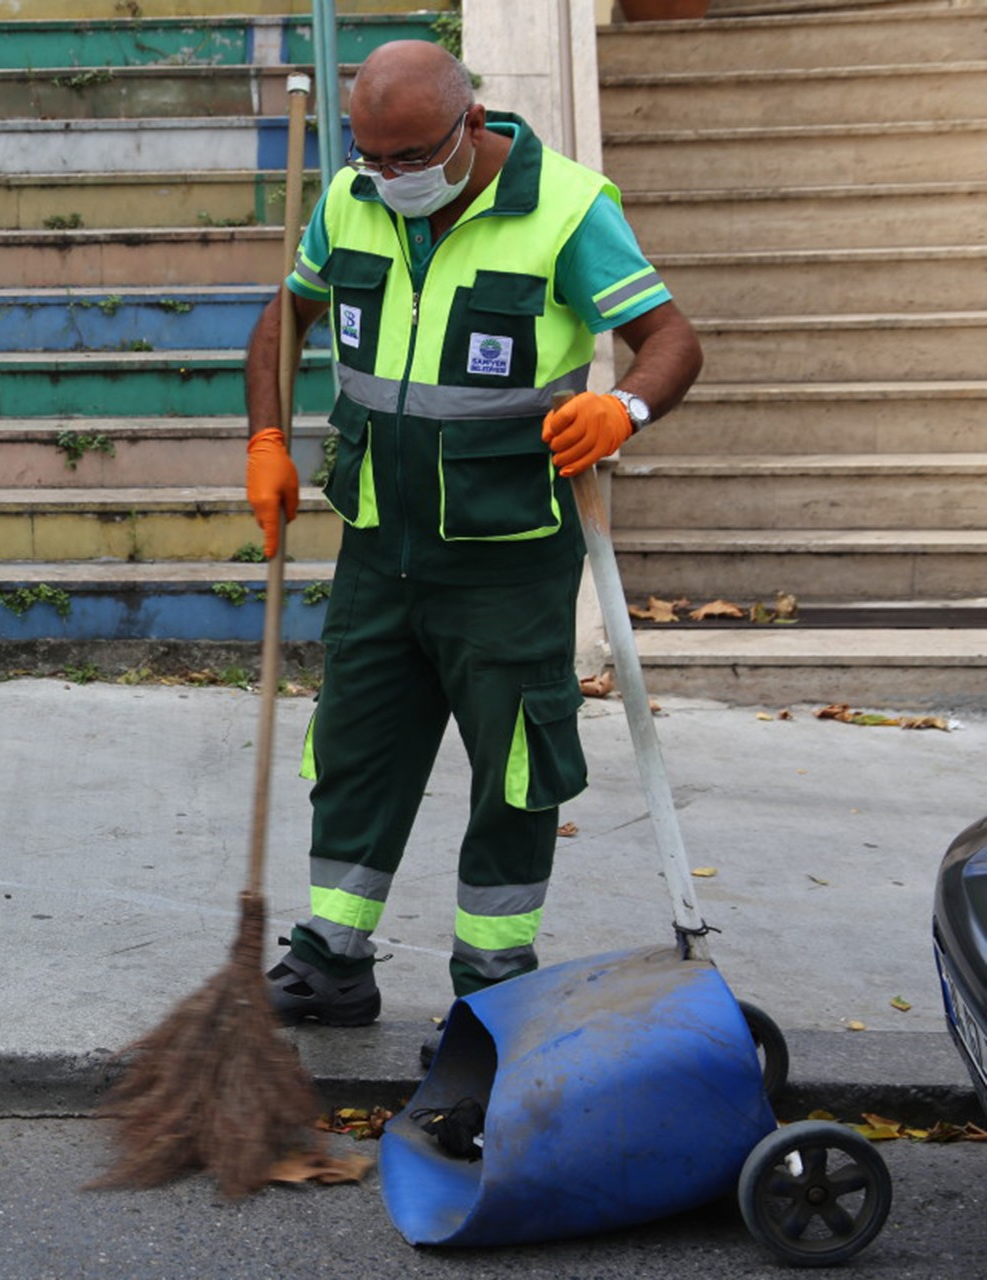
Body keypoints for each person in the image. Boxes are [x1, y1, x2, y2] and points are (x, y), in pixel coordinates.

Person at [242, 40, 703, 1027]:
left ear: (471, 126)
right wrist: (269, 437)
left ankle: (493, 986)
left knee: (516, 772)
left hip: (507, 559)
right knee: (357, 749)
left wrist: (622, 408)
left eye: (409, 156)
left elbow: (673, 339)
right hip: (378, 542)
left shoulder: (568, 209)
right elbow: (286, 316)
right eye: (372, 155)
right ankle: (331, 957)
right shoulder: (348, 200)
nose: (390, 177)